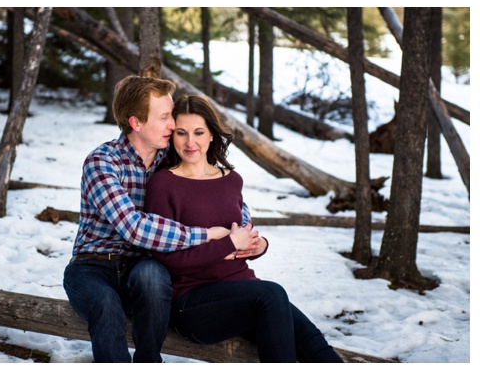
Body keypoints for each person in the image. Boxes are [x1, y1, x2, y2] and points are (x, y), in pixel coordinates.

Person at [63, 75, 260, 363]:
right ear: (136, 123)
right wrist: (207, 235)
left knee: (153, 276)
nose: (173, 125)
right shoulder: (103, 162)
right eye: (165, 117)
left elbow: (217, 188)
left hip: (143, 265)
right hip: (93, 265)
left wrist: (241, 229)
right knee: (106, 304)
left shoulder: (169, 157)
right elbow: (133, 227)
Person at [144, 94, 343, 363]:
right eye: (181, 133)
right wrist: (228, 244)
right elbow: (166, 260)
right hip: (192, 303)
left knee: (314, 346)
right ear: (172, 136)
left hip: (245, 291)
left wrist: (258, 246)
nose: (190, 142)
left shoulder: (231, 180)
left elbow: (241, 235)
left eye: (199, 132)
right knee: (273, 295)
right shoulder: (163, 184)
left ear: (212, 134)